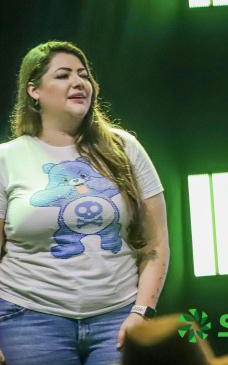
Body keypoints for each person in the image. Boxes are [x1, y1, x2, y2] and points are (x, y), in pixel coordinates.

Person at [0, 41, 170, 364]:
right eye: (63, 75)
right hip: (28, 320)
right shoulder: (6, 159)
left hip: (117, 318)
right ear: (34, 91)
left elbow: (157, 244)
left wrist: (140, 312)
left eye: (83, 75)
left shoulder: (124, 147)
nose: (78, 82)